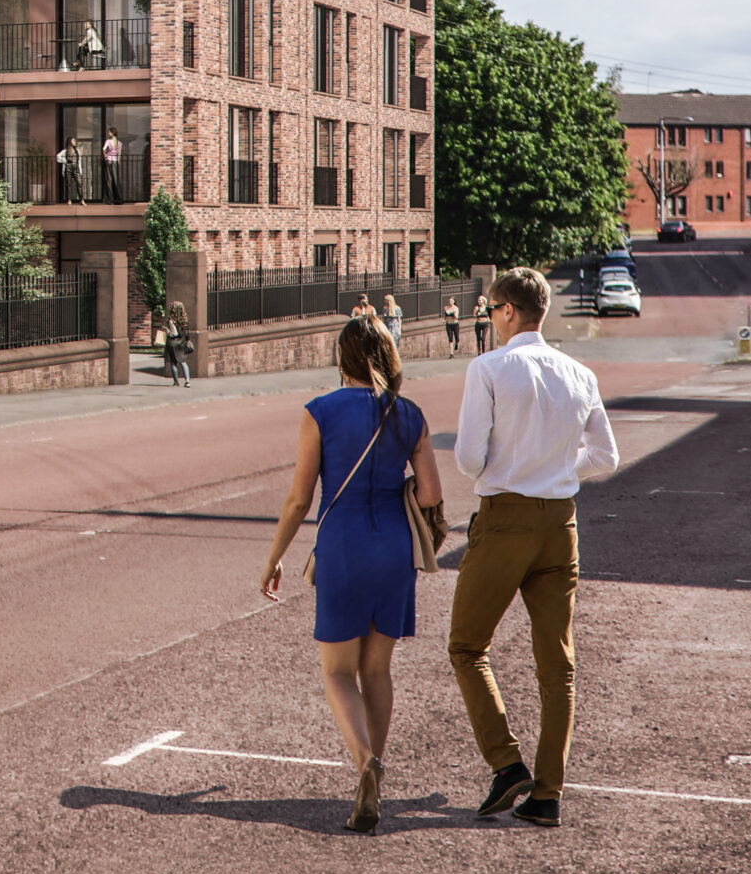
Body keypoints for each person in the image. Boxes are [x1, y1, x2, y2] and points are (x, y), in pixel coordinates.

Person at [448, 267, 620, 827]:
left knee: (468, 647)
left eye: (489, 308)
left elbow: (469, 458)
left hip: (505, 520)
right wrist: (553, 466)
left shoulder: (489, 368)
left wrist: (516, 465)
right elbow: (606, 457)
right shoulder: (580, 372)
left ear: (505, 311)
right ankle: (548, 793)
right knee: (557, 668)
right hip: (560, 522)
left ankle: (505, 764)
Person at [262, 317, 448, 833]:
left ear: (340, 358)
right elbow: (430, 494)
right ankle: (376, 777)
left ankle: (364, 760)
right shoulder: (408, 414)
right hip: (392, 548)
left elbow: (300, 498)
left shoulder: (319, 412)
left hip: (341, 547)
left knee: (338, 672)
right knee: (378, 671)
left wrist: (275, 556)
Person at [162, 301, 192, 385]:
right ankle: (187, 381)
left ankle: (176, 381)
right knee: (183, 362)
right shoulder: (185, 320)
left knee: (173, 362)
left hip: (173, 343)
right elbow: (186, 333)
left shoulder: (171, 321)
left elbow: (174, 333)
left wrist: (166, 330)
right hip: (182, 343)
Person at [100, 128, 123, 203]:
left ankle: (109, 199)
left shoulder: (108, 141)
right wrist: (118, 162)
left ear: (112, 133)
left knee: (108, 179)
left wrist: (105, 156)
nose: (108, 133)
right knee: (116, 180)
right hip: (115, 161)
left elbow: (103, 149)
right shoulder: (119, 143)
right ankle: (118, 198)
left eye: (109, 132)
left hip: (109, 160)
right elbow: (119, 154)